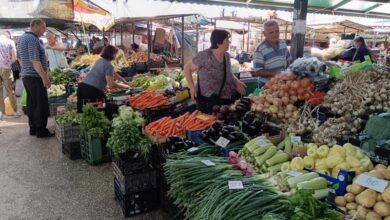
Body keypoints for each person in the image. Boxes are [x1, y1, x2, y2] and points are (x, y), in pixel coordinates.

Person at [183, 29, 246, 114]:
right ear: (218, 43)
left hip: (225, 100)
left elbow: (228, 72)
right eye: (227, 41)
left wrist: (236, 82)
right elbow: (187, 68)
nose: (229, 43)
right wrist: (192, 88)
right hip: (208, 101)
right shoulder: (204, 56)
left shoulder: (226, 56)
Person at [17, 19, 53, 137]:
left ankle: (33, 127)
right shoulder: (32, 39)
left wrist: (26, 68)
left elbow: (19, 58)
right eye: (43, 27)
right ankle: (41, 130)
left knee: (32, 103)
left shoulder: (22, 38)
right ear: (36, 26)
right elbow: (35, 61)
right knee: (40, 104)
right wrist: (44, 77)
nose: (44, 30)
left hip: (27, 75)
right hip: (34, 76)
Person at [77, 45, 130, 113]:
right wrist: (124, 86)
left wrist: (123, 80)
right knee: (101, 110)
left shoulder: (100, 60)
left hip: (82, 87)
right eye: (115, 54)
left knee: (82, 110)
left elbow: (113, 73)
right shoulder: (108, 65)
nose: (116, 56)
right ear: (112, 54)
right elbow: (111, 84)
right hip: (92, 90)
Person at [252, 20, 292, 85]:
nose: (275, 34)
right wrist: (276, 74)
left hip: (282, 83)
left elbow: (288, 60)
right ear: (264, 34)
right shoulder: (259, 49)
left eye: (277, 31)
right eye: (271, 32)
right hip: (266, 85)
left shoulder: (283, 43)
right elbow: (258, 71)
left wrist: (287, 72)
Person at [0, 30, 18, 120]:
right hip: (6, 68)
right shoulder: (10, 42)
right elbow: (14, 58)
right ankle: (15, 111)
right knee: (10, 90)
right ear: (9, 35)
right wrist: (8, 62)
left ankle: (1, 113)